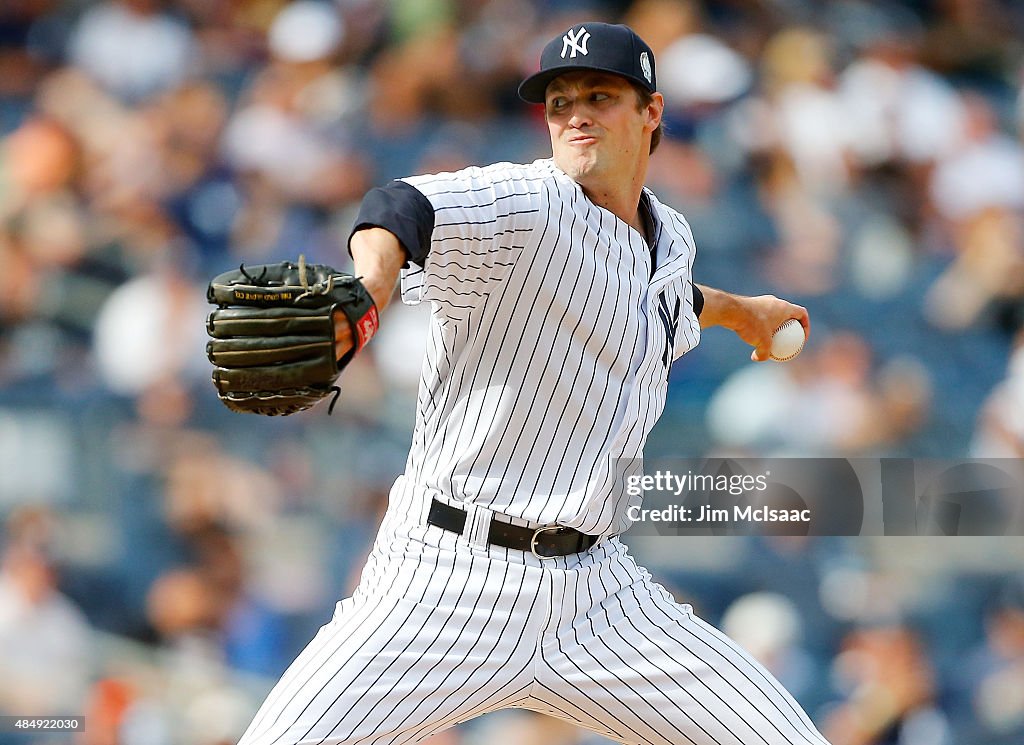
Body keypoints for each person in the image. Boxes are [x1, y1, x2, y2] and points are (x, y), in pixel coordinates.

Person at [236, 22, 825, 745]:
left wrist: (746, 313)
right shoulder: (528, 205)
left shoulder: (669, 237)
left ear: (652, 112)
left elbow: (666, 296)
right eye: (558, 101)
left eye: (600, 95)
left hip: (599, 597)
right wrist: (369, 286)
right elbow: (400, 207)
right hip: (444, 581)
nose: (574, 113)